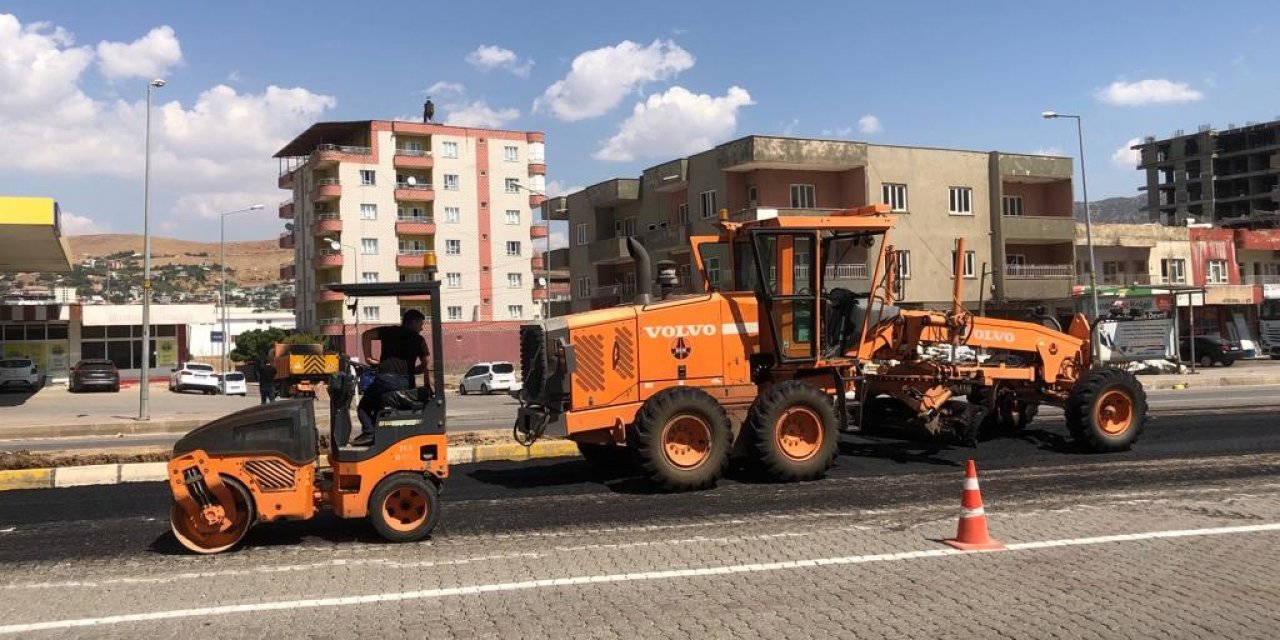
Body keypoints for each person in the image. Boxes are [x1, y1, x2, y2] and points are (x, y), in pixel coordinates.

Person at [353, 309, 429, 446]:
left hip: (385, 381)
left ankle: (370, 433)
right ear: (412, 322)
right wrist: (414, 371)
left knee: (363, 407)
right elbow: (426, 363)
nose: (422, 328)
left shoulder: (390, 331)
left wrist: (369, 358)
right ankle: (380, 435)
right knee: (381, 406)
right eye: (420, 324)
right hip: (406, 383)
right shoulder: (419, 340)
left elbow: (366, 335)